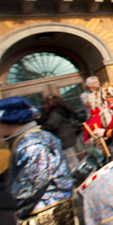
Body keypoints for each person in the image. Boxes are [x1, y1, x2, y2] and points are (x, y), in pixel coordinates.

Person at [0, 96, 74, 224]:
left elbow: (29, 187)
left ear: (9, 119)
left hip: (47, 214)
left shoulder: (33, 144)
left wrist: (8, 208)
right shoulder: (28, 139)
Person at [41, 94, 81, 171]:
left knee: (72, 162)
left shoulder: (55, 113)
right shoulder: (64, 109)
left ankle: (80, 177)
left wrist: (41, 128)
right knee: (75, 159)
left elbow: (52, 125)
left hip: (64, 139)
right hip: (70, 136)